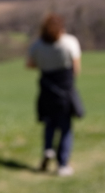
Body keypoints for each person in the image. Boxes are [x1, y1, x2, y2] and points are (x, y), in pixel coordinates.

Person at [26, 13, 84, 176]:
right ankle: (62, 164)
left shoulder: (38, 44)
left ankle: (48, 149)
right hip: (65, 87)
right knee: (65, 126)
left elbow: (30, 64)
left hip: (46, 86)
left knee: (49, 122)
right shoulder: (69, 43)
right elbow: (76, 68)